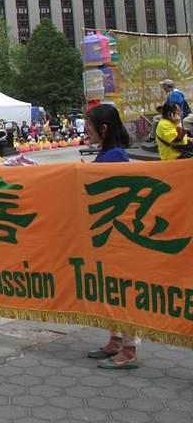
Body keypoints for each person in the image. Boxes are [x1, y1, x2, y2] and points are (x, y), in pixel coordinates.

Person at [85, 104, 139, 368]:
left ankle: (129, 349)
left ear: (103, 129)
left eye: (90, 128)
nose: (88, 133)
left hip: (117, 236)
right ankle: (115, 339)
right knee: (110, 291)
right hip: (104, 234)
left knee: (122, 292)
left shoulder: (115, 156)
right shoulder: (107, 153)